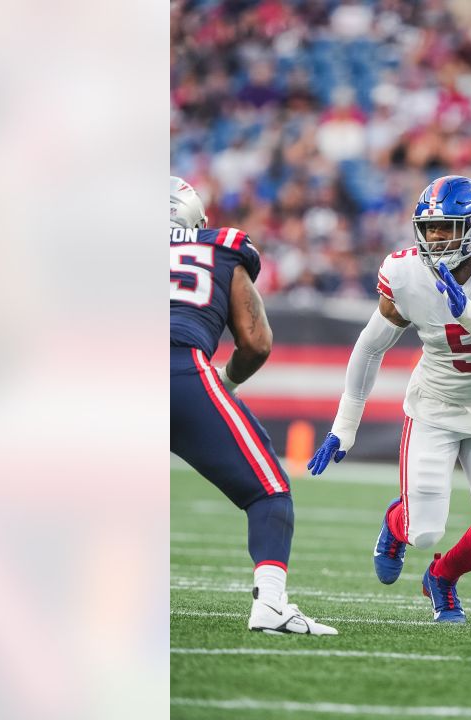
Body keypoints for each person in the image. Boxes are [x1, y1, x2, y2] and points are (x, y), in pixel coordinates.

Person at [307, 175, 471, 623]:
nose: (436, 237)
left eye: (448, 227)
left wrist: (469, 314)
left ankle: (442, 577)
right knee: (423, 531)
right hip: (434, 408)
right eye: (429, 227)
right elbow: (369, 346)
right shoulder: (405, 272)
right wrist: (345, 425)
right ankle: (397, 521)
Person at [169, 176, 337, 635]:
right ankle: (271, 605)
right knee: (268, 492)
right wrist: (222, 384)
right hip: (179, 369)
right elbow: (256, 343)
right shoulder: (221, 246)